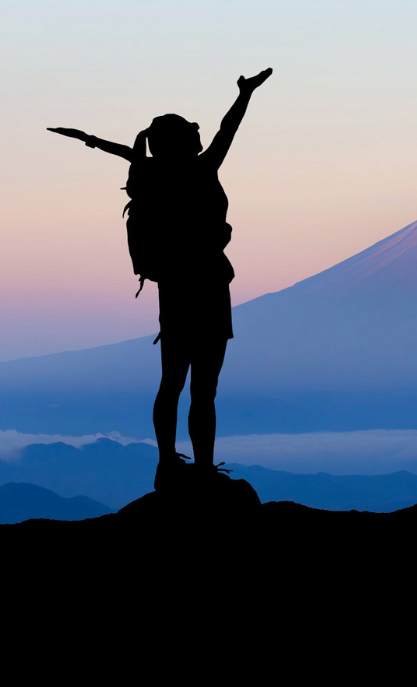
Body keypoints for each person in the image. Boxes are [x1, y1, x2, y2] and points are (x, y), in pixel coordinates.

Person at [50, 68, 272, 489]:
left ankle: (167, 462)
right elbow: (229, 129)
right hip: (208, 285)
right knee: (204, 387)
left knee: (172, 380)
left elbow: (129, 155)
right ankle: (203, 469)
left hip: (173, 289)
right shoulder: (203, 169)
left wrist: (91, 140)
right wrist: (245, 95)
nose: (200, 135)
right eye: (192, 133)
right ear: (186, 142)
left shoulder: (152, 176)